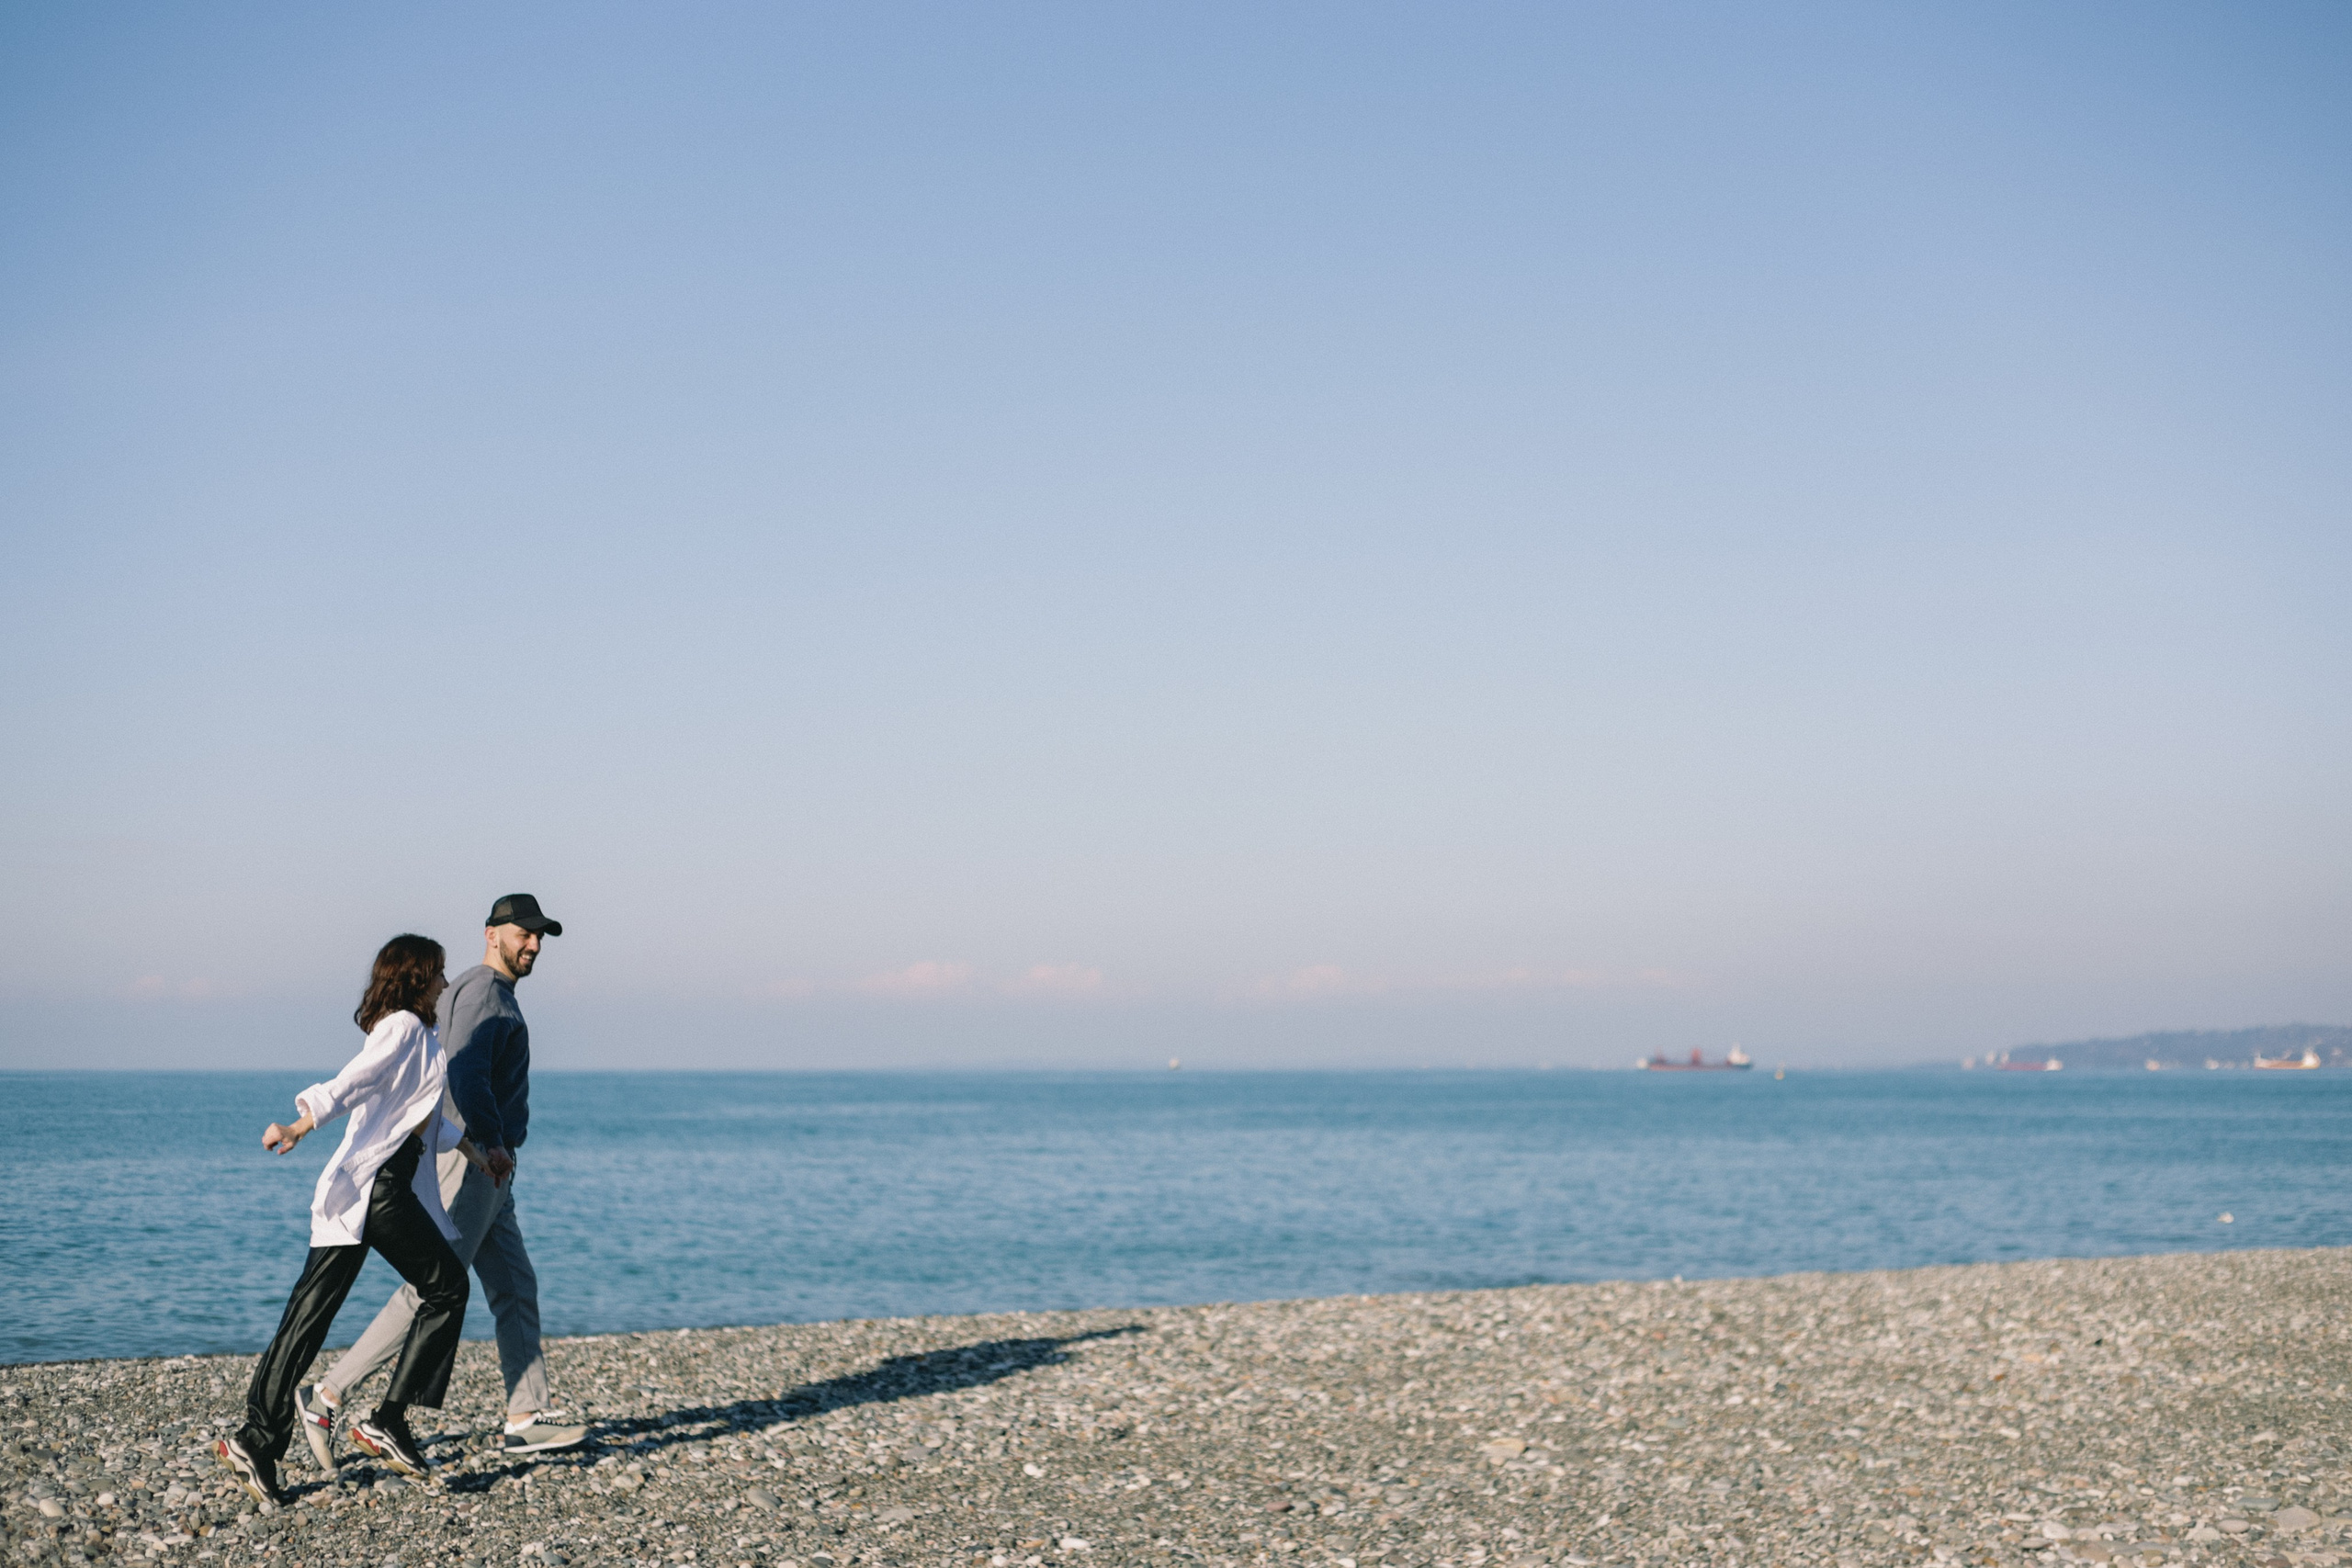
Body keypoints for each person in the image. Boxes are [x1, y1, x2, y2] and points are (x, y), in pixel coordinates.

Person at [298, 894, 587, 1461]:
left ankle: (526, 1416)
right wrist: (491, 1144)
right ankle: (328, 1396)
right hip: (473, 1158)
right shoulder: (481, 990)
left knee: (513, 1285)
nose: (532, 944)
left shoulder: (488, 993)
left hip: (486, 1164)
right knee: (434, 1283)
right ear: (491, 933)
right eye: (522, 933)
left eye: (539, 936)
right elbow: (463, 1072)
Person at [217, 933, 488, 1507]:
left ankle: (256, 1441)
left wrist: (476, 1153)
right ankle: (388, 1420)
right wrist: (301, 1123)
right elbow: (354, 1080)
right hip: (380, 1189)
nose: (444, 982)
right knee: (448, 1288)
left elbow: (424, 1123)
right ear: (417, 977)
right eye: (437, 973)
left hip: (367, 1192)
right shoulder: (405, 1029)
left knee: (307, 1319)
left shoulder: (417, 1037)